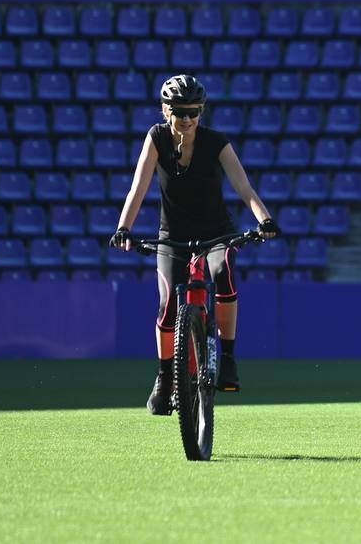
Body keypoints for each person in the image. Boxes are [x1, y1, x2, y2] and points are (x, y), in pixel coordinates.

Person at [110, 74, 279, 415]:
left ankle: (228, 357)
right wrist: (123, 228)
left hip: (216, 232)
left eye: (194, 111)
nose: (186, 119)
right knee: (169, 303)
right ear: (165, 110)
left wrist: (264, 220)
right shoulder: (156, 138)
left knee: (225, 273)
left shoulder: (216, 143)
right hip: (171, 235)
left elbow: (245, 188)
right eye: (179, 111)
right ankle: (164, 377)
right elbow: (138, 187)